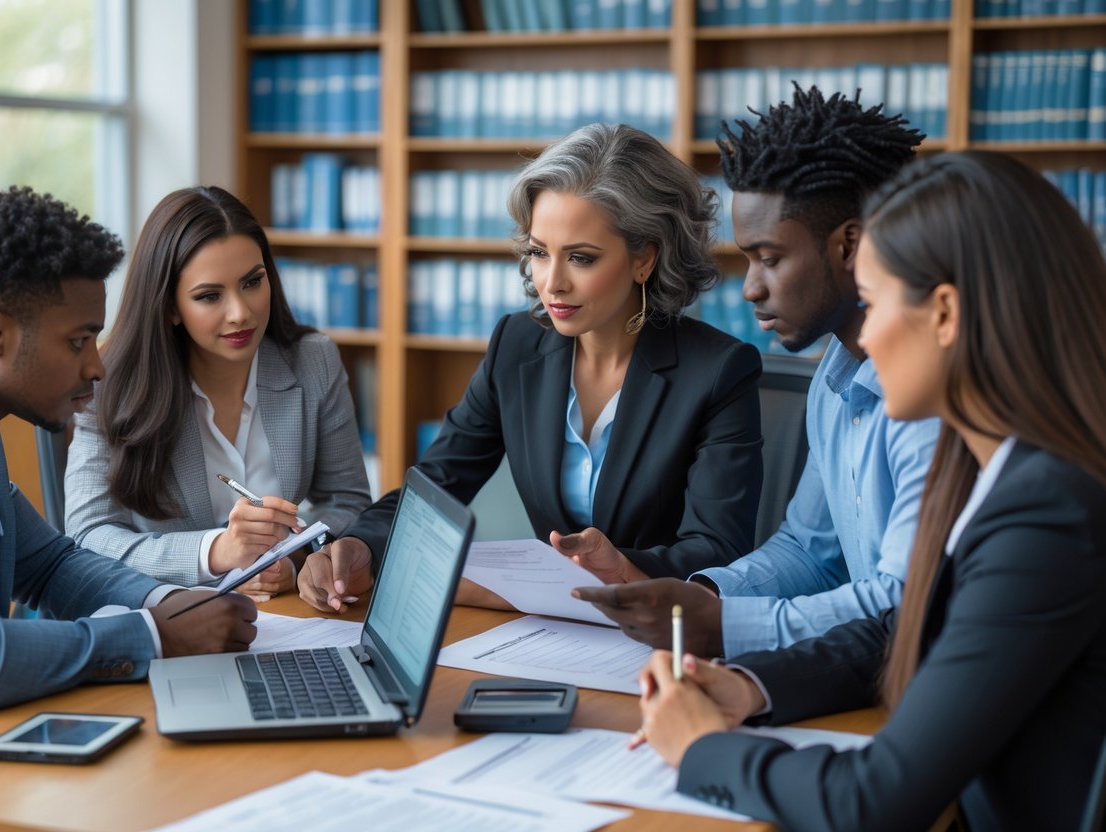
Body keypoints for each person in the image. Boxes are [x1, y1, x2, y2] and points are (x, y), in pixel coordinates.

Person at [636, 151, 1106, 831]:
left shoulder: (1045, 514)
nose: (866, 335)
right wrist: (747, 685)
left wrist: (703, 749)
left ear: (943, 314)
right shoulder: (1002, 468)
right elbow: (910, 621)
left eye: (876, 301)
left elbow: (872, 801)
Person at [298, 122, 765, 612]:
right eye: (540, 253)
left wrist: (613, 566)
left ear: (644, 259)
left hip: (658, 632)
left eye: (581, 258)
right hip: (545, 629)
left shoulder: (718, 371)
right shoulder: (517, 346)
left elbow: (718, 551)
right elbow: (435, 485)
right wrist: (361, 544)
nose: (552, 283)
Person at [575, 87, 939, 657]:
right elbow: (808, 552)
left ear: (850, 246)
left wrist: (723, 627)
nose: (749, 288)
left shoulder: (931, 401)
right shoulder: (835, 375)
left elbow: (903, 601)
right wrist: (702, 596)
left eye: (769, 258)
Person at [0, 187, 257, 749]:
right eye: (78, 340)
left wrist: (163, 602)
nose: (96, 365)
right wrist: (152, 636)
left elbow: (46, 562)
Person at [65, 186, 372, 600]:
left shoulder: (313, 361)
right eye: (210, 295)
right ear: (169, 306)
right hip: (165, 619)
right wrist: (216, 552)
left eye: (252, 282)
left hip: (284, 620)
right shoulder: (109, 383)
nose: (240, 312)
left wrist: (294, 559)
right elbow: (87, 538)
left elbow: (348, 501)